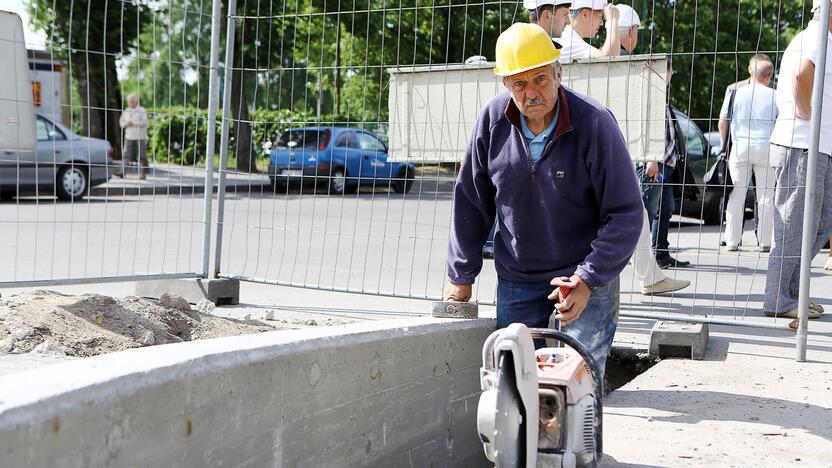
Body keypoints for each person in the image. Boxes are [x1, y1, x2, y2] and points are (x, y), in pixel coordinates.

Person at [443, 23, 643, 372]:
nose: (531, 92)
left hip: (583, 274)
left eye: (540, 79)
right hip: (519, 274)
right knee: (515, 377)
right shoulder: (493, 120)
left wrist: (587, 278)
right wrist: (460, 277)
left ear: (558, 72)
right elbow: (470, 201)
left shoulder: (594, 122)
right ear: (505, 84)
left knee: (577, 381)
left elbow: (625, 213)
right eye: (519, 83)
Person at [764, 0, 831, 325]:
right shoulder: (816, 37)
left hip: (817, 148)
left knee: (820, 222)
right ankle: (778, 298)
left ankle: (792, 293)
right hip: (802, 145)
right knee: (793, 225)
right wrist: (807, 115)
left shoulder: (822, 38)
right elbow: (802, 76)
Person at [718, 55, 777, 252]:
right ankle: (765, 241)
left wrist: (723, 145)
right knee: (766, 196)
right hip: (766, 147)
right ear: (769, 76)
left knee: (736, 195)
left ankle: (732, 240)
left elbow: (723, 120)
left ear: (751, 72)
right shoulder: (775, 95)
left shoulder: (735, 93)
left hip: (740, 147)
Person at [555, 0, 620, 62]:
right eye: (600, 16)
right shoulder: (568, 39)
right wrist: (613, 20)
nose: (602, 23)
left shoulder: (567, 35)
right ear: (585, 14)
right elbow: (609, 60)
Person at [118, 95, 149, 179]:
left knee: (142, 156)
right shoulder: (126, 111)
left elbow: (145, 122)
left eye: (132, 101)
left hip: (140, 137)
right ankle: (122, 172)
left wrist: (133, 123)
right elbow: (121, 123)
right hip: (129, 137)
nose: (130, 103)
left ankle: (143, 174)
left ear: (136, 101)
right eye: (129, 101)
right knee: (126, 155)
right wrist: (125, 124)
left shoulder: (142, 110)